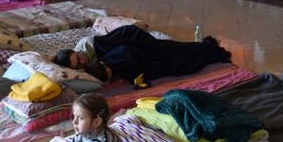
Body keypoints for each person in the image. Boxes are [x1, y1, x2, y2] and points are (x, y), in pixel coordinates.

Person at [52, 25, 232, 87]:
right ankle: (208, 49)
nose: (82, 60)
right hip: (135, 49)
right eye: (78, 63)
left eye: (78, 57)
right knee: (176, 54)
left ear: (74, 51)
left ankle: (208, 48)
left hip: (137, 40)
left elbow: (123, 43)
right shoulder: (85, 66)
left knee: (174, 51)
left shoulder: (91, 45)